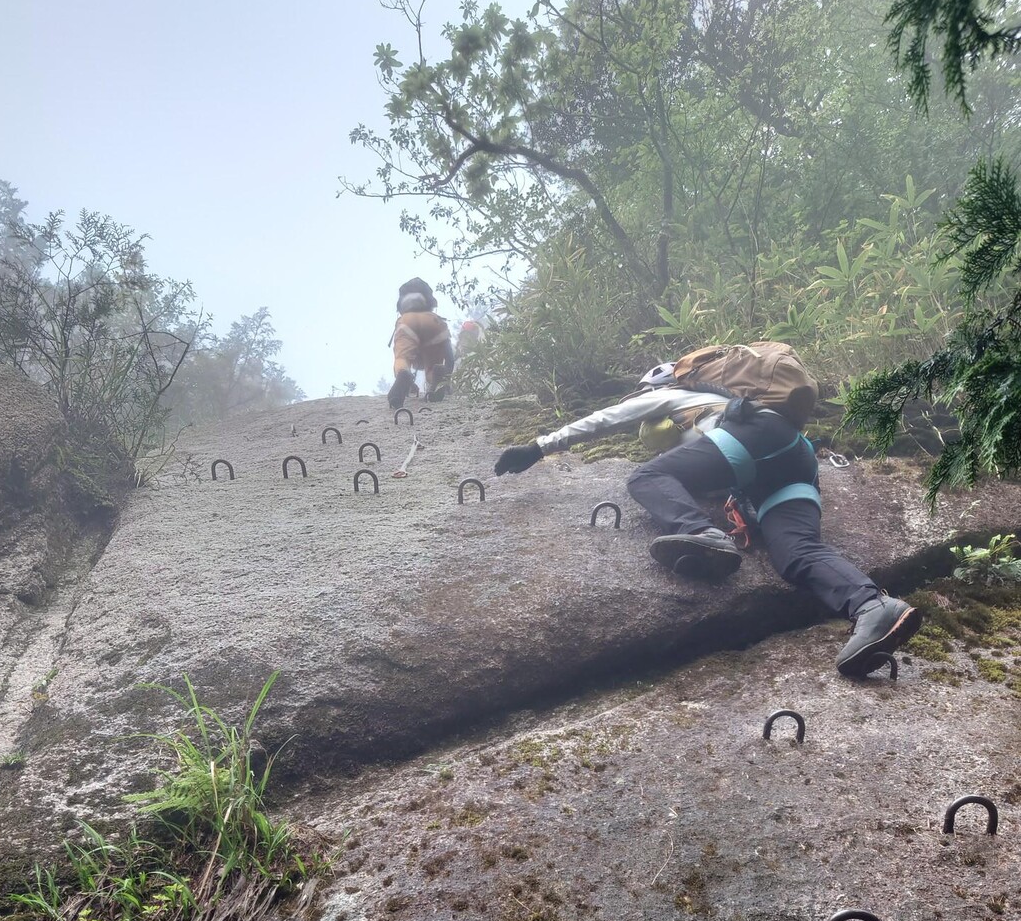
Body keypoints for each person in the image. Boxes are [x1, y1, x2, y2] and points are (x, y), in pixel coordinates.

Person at [493, 358, 923, 678]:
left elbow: (607, 419)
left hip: (749, 443)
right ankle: (873, 606)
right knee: (797, 553)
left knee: (648, 476)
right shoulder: (736, 405)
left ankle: (700, 532)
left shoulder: (678, 395)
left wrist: (539, 447)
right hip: (795, 459)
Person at [388, 278, 455, 410]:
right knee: (432, 368)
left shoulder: (404, 317)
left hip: (407, 323)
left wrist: (406, 380)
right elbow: (449, 357)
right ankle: (436, 381)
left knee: (403, 359)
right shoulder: (434, 317)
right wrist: (446, 377)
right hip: (434, 323)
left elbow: (400, 356)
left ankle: (403, 373)